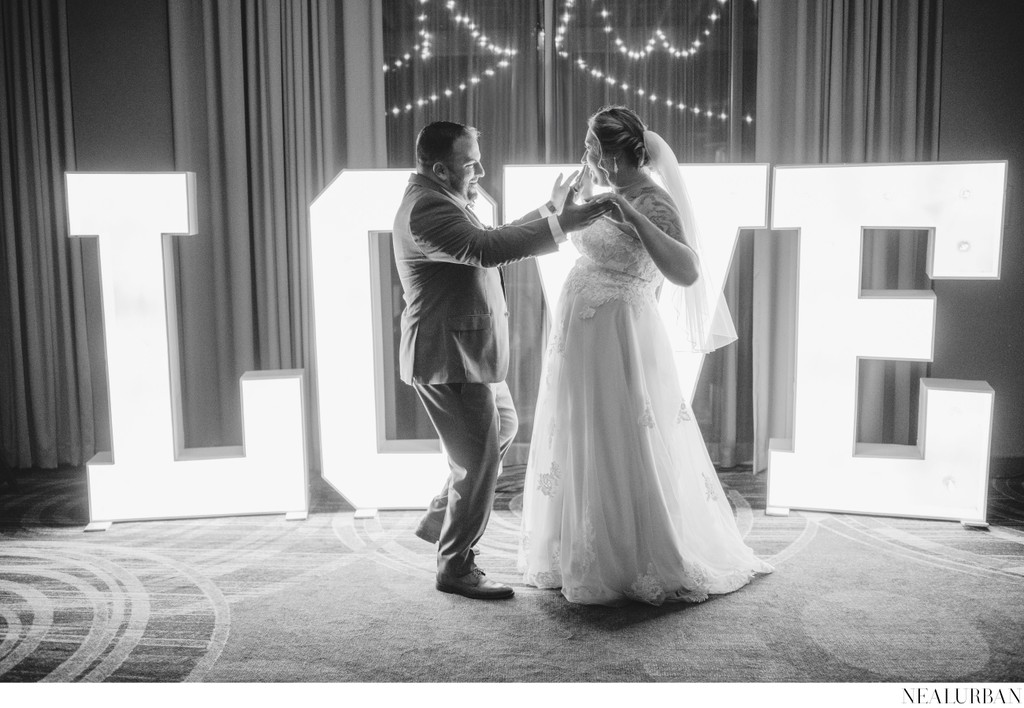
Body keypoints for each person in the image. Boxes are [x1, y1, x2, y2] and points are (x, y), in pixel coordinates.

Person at [518, 106, 773, 606]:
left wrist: (631, 216)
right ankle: (578, 546)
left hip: (621, 334)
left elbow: (686, 271)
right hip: (580, 334)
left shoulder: (653, 201)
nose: (585, 152)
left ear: (613, 153)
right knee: (581, 431)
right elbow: (589, 243)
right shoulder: (598, 191)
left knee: (619, 433)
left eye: (592, 145)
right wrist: (559, 207)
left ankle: (632, 555)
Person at [392, 120, 612, 600]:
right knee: (479, 465)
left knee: (502, 429)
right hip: (449, 357)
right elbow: (484, 249)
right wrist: (562, 225)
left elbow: (490, 234)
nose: (480, 170)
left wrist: (552, 209)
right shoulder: (425, 209)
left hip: (472, 353)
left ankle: (443, 517)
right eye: (470, 163)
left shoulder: (442, 198)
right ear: (438, 168)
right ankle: (455, 566)